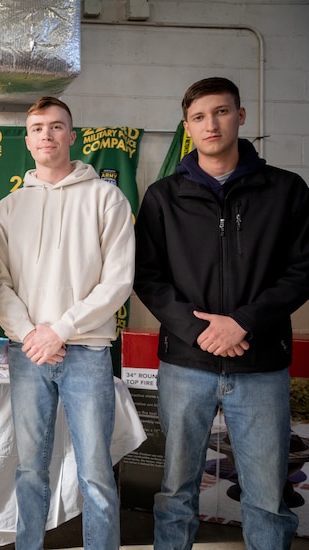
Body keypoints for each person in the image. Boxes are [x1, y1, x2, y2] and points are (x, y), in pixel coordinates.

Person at [134, 76, 309, 550]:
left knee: (268, 497)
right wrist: (198, 330)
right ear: (187, 127)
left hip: (260, 365)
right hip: (186, 365)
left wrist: (243, 322)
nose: (211, 124)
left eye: (221, 111)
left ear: (240, 116)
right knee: (175, 492)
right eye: (198, 116)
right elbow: (147, 276)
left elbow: (303, 269)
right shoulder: (163, 197)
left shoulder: (286, 190)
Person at [0, 96, 135, 550]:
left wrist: (60, 330)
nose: (46, 135)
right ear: (27, 140)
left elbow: (118, 281)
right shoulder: (9, 207)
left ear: (72, 136)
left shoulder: (106, 198)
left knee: (95, 473)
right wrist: (33, 334)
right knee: (30, 469)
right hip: (28, 355)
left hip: (87, 352)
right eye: (37, 128)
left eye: (56, 127)